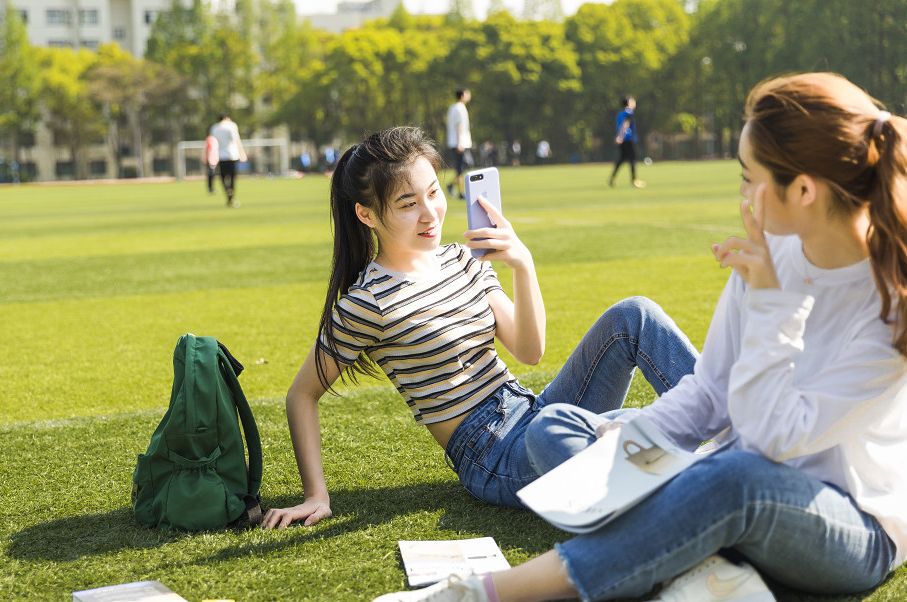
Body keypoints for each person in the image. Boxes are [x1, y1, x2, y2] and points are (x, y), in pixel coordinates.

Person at [365, 72, 907, 602]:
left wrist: (774, 302)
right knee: (555, 429)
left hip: (845, 523)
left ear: (802, 191)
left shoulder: (891, 302)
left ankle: (492, 596)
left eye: (749, 179)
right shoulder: (772, 256)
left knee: (736, 478)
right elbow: (710, 391)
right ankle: (706, 566)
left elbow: (775, 440)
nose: (742, 195)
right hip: (732, 468)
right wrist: (628, 447)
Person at [261, 125, 698, 530]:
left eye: (434, 192)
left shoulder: (463, 260)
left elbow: (529, 351)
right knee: (566, 430)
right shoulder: (368, 302)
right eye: (408, 204)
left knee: (633, 315)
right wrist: (316, 495)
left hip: (534, 410)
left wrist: (521, 265)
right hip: (491, 456)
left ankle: (725, 417)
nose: (430, 213)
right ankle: (655, 450)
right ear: (367, 214)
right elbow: (302, 394)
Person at [210, 113, 248, 207]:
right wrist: (242, 153)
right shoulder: (231, 126)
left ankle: (228, 193)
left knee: (223, 178)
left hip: (220, 156)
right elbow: (237, 140)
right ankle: (231, 196)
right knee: (232, 177)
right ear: (227, 118)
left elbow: (213, 143)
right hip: (232, 155)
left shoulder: (214, 128)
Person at [609, 96, 645, 188]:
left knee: (621, 159)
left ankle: (612, 178)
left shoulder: (620, 114)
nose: (634, 102)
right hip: (628, 139)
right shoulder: (629, 112)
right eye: (633, 101)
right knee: (632, 159)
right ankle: (634, 180)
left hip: (623, 140)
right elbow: (626, 125)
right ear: (628, 102)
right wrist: (621, 137)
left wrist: (618, 137)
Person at [446, 88, 473, 199]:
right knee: (464, 165)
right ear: (462, 95)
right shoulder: (459, 108)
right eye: (467, 93)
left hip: (456, 142)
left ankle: (454, 187)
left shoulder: (453, 107)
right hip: (460, 143)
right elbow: (459, 125)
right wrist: (460, 143)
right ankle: (459, 191)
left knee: (461, 167)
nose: (469, 95)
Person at [202, 128, 219, 194]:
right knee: (211, 174)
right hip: (211, 160)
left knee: (212, 174)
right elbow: (210, 150)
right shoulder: (211, 139)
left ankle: (211, 188)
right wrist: (211, 160)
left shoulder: (211, 139)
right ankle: (211, 188)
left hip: (212, 160)